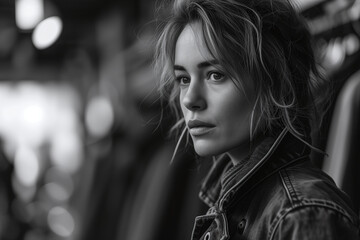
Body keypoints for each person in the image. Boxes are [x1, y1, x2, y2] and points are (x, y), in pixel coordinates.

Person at [154, 0, 360, 239]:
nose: (190, 99)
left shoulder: (301, 214)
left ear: (274, 81)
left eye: (215, 75)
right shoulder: (233, 201)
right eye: (183, 79)